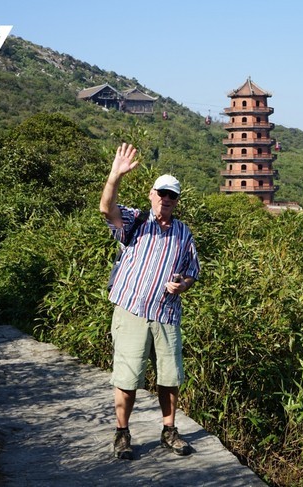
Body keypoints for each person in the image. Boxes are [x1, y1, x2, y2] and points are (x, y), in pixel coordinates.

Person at [99, 142, 200, 460]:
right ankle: (122, 433)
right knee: (128, 377)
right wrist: (115, 175)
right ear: (152, 195)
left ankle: (169, 430)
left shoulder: (184, 233)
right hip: (131, 310)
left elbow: (191, 273)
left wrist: (182, 285)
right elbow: (106, 209)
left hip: (167, 315)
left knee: (170, 377)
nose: (167, 199)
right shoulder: (136, 220)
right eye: (162, 193)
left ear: (177, 201)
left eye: (172, 195)